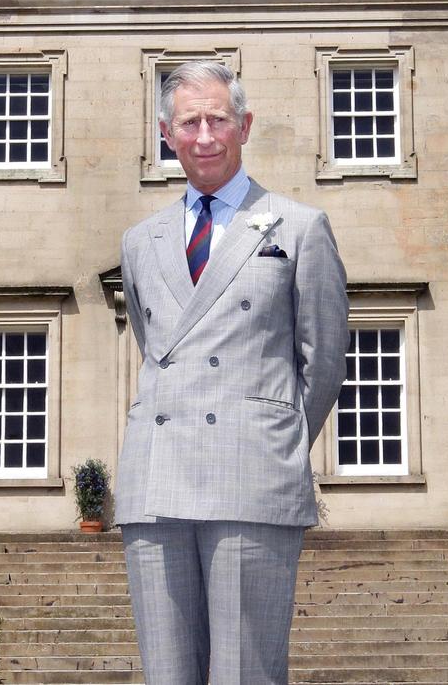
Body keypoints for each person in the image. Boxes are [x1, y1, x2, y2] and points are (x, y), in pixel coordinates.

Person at [115, 61, 349, 685]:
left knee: (245, 674)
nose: (205, 135)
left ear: (244, 126)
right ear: (167, 135)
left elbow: (323, 360)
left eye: (218, 119)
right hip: (156, 473)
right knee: (167, 673)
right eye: (189, 122)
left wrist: (273, 436)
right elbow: (154, 341)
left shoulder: (299, 226)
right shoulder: (140, 240)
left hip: (251, 472)